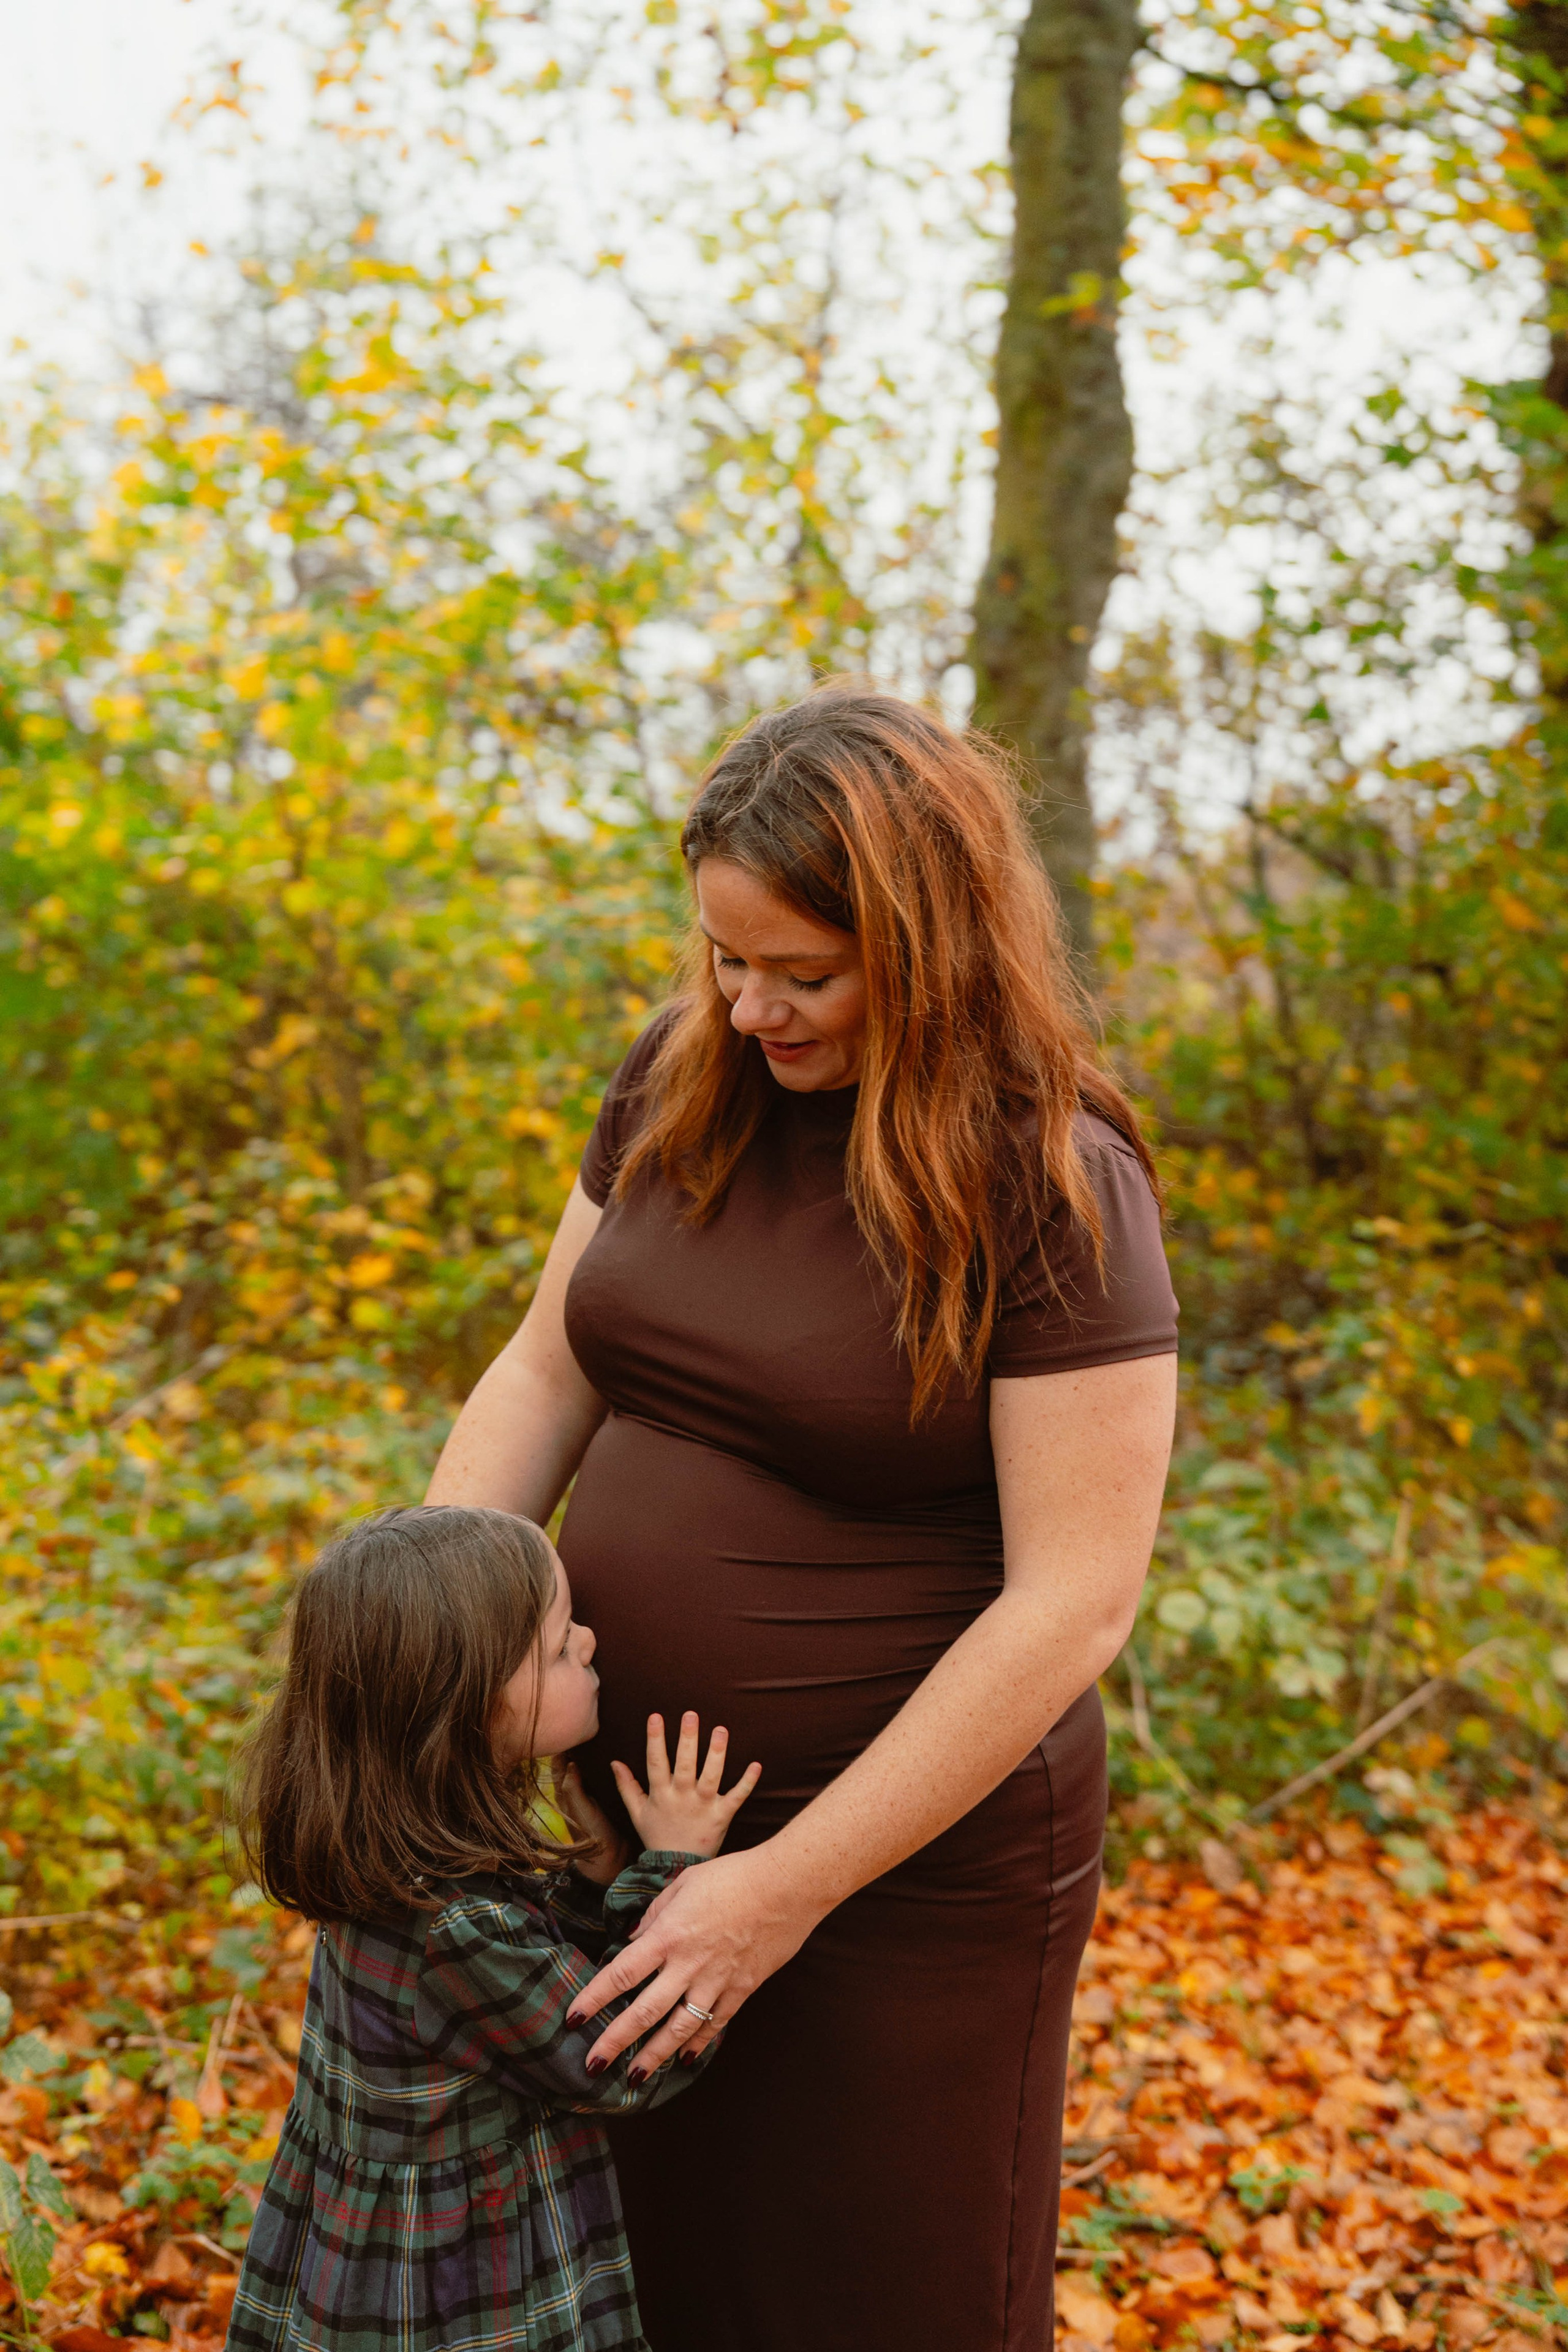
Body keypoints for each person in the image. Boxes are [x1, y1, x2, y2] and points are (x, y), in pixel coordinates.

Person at [425, 684, 1180, 2351]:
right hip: (624, 1838)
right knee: (658, 2284)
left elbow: (1074, 1602)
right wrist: (430, 1652)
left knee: (872, 2295)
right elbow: (545, 1369)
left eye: (804, 973)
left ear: (930, 944)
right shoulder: (679, 1079)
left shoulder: (1048, 1180)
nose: (749, 1004)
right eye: (723, 956)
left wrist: (778, 1890)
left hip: (898, 1886)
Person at [225, 1502, 758, 2352]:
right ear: (472, 1707)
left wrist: (591, 1880)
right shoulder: (456, 1928)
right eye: (558, 1644)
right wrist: (674, 1870)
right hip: (456, 2286)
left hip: (380, 2247)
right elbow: (617, 2060)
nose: (588, 1641)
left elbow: (515, 2005)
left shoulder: (395, 1859)